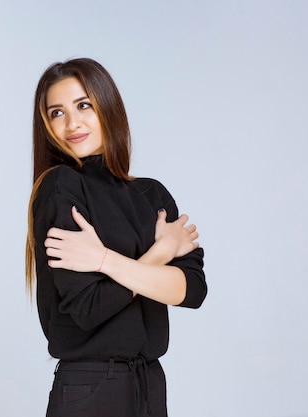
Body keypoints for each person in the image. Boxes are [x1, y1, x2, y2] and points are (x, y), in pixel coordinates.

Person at [25, 58, 207, 417]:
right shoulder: (61, 186)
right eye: (57, 113)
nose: (72, 122)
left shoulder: (152, 195)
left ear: (107, 106)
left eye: (83, 105)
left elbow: (191, 289)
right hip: (91, 386)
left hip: (149, 384)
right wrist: (161, 251)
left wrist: (106, 261)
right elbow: (88, 309)